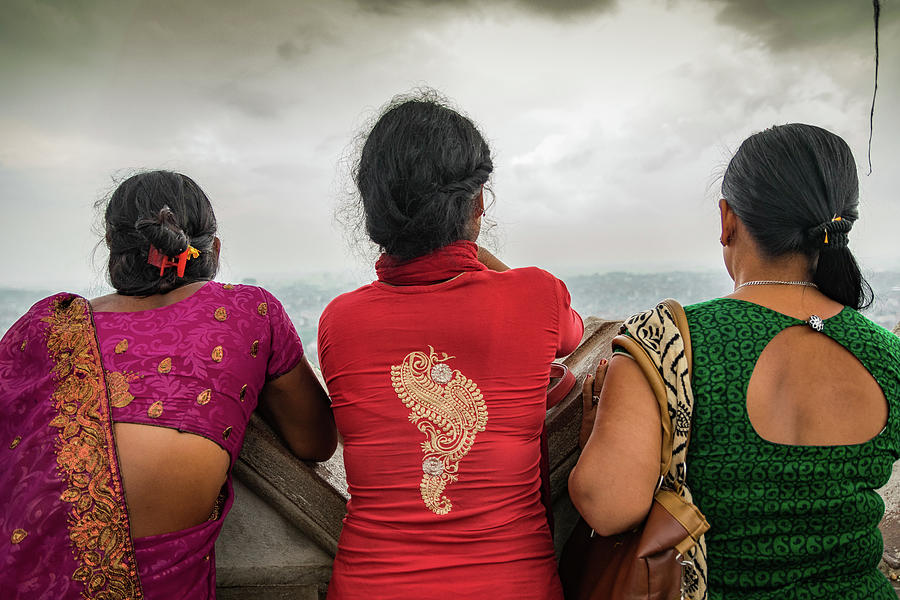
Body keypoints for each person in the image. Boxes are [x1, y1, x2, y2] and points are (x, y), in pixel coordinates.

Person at [569, 123, 900, 599]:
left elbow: (607, 505)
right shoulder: (887, 356)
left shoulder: (667, 343)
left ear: (727, 219)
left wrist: (596, 431)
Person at [0, 171, 337, 599]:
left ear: (113, 252)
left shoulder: (48, 325)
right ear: (212, 248)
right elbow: (316, 441)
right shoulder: (248, 311)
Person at [318, 92, 584, 599]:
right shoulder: (536, 295)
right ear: (477, 202)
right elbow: (571, 337)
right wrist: (475, 254)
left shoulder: (339, 321)